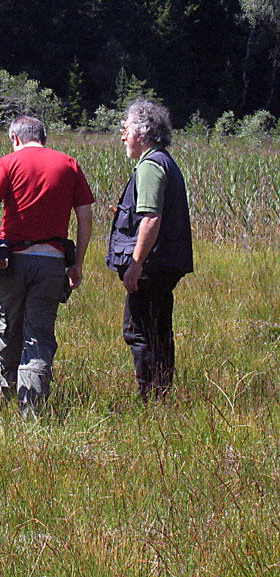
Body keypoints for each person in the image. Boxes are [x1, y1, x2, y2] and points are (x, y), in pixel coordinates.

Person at [0, 116, 94, 418]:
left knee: (9, 326)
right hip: (51, 263)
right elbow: (85, 218)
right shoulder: (68, 164)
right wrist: (77, 264)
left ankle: (7, 388)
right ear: (42, 137)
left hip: (11, 263)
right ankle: (31, 411)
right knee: (39, 336)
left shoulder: (8, 163)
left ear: (15, 138)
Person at [106, 99, 193, 401]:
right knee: (158, 330)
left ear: (142, 132)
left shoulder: (151, 165)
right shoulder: (164, 161)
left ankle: (150, 400)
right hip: (164, 265)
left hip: (151, 268)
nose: (123, 135)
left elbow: (152, 218)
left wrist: (135, 263)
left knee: (139, 331)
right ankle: (162, 397)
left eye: (126, 128)